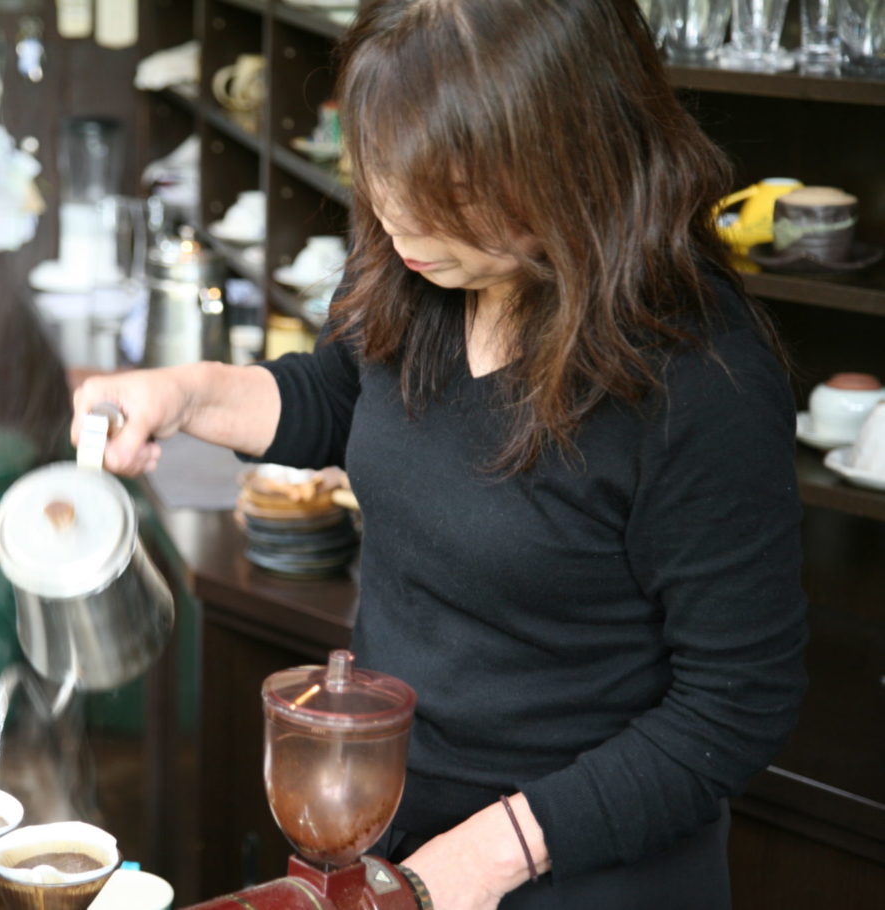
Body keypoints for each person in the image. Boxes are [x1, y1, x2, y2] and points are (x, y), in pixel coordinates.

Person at [73, 1, 807, 907]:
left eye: (446, 196)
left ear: (573, 159)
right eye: (380, 174)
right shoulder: (423, 265)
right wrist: (185, 395)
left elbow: (735, 704)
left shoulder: (701, 380)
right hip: (398, 838)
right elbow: (347, 393)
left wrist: (492, 855)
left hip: (578, 868)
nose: (397, 220)